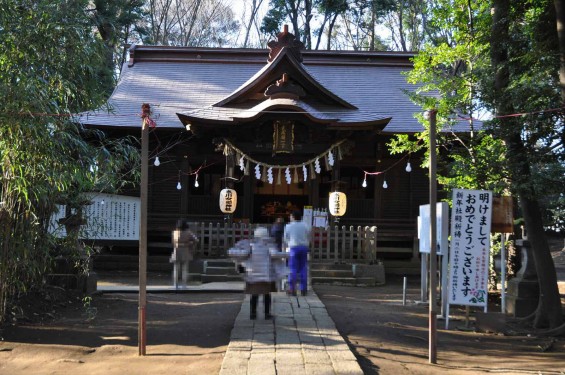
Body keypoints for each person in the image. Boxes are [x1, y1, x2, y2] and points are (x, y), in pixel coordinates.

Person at [228, 226, 286, 320]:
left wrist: (233, 254)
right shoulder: (269, 245)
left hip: (253, 274)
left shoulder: (250, 245)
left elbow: (240, 253)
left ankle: (253, 313)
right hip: (266, 275)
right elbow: (275, 254)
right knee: (267, 294)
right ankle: (267, 314)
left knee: (254, 294)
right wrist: (289, 255)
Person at [283, 210, 311, 296]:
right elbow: (309, 236)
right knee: (303, 268)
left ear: (293, 217)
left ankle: (292, 288)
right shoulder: (306, 225)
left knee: (293, 268)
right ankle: (303, 289)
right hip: (304, 247)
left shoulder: (288, 226)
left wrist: (287, 245)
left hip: (293, 248)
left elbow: (285, 238)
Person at [171, 220, 198, 289]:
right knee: (184, 269)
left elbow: (173, 242)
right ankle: (184, 285)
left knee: (176, 269)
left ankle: (175, 285)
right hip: (185, 250)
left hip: (176, 251)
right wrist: (189, 244)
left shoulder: (175, 232)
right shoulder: (188, 232)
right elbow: (196, 240)